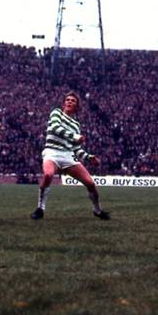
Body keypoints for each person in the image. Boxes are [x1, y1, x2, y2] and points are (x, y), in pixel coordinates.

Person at [30, 91, 110, 220]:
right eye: (67, 100)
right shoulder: (56, 113)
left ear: (76, 107)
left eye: (73, 101)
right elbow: (55, 128)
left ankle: (98, 210)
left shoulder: (76, 125)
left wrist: (89, 157)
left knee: (90, 183)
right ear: (63, 103)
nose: (69, 102)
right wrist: (74, 136)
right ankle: (40, 209)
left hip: (67, 155)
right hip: (52, 151)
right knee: (48, 174)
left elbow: (76, 148)